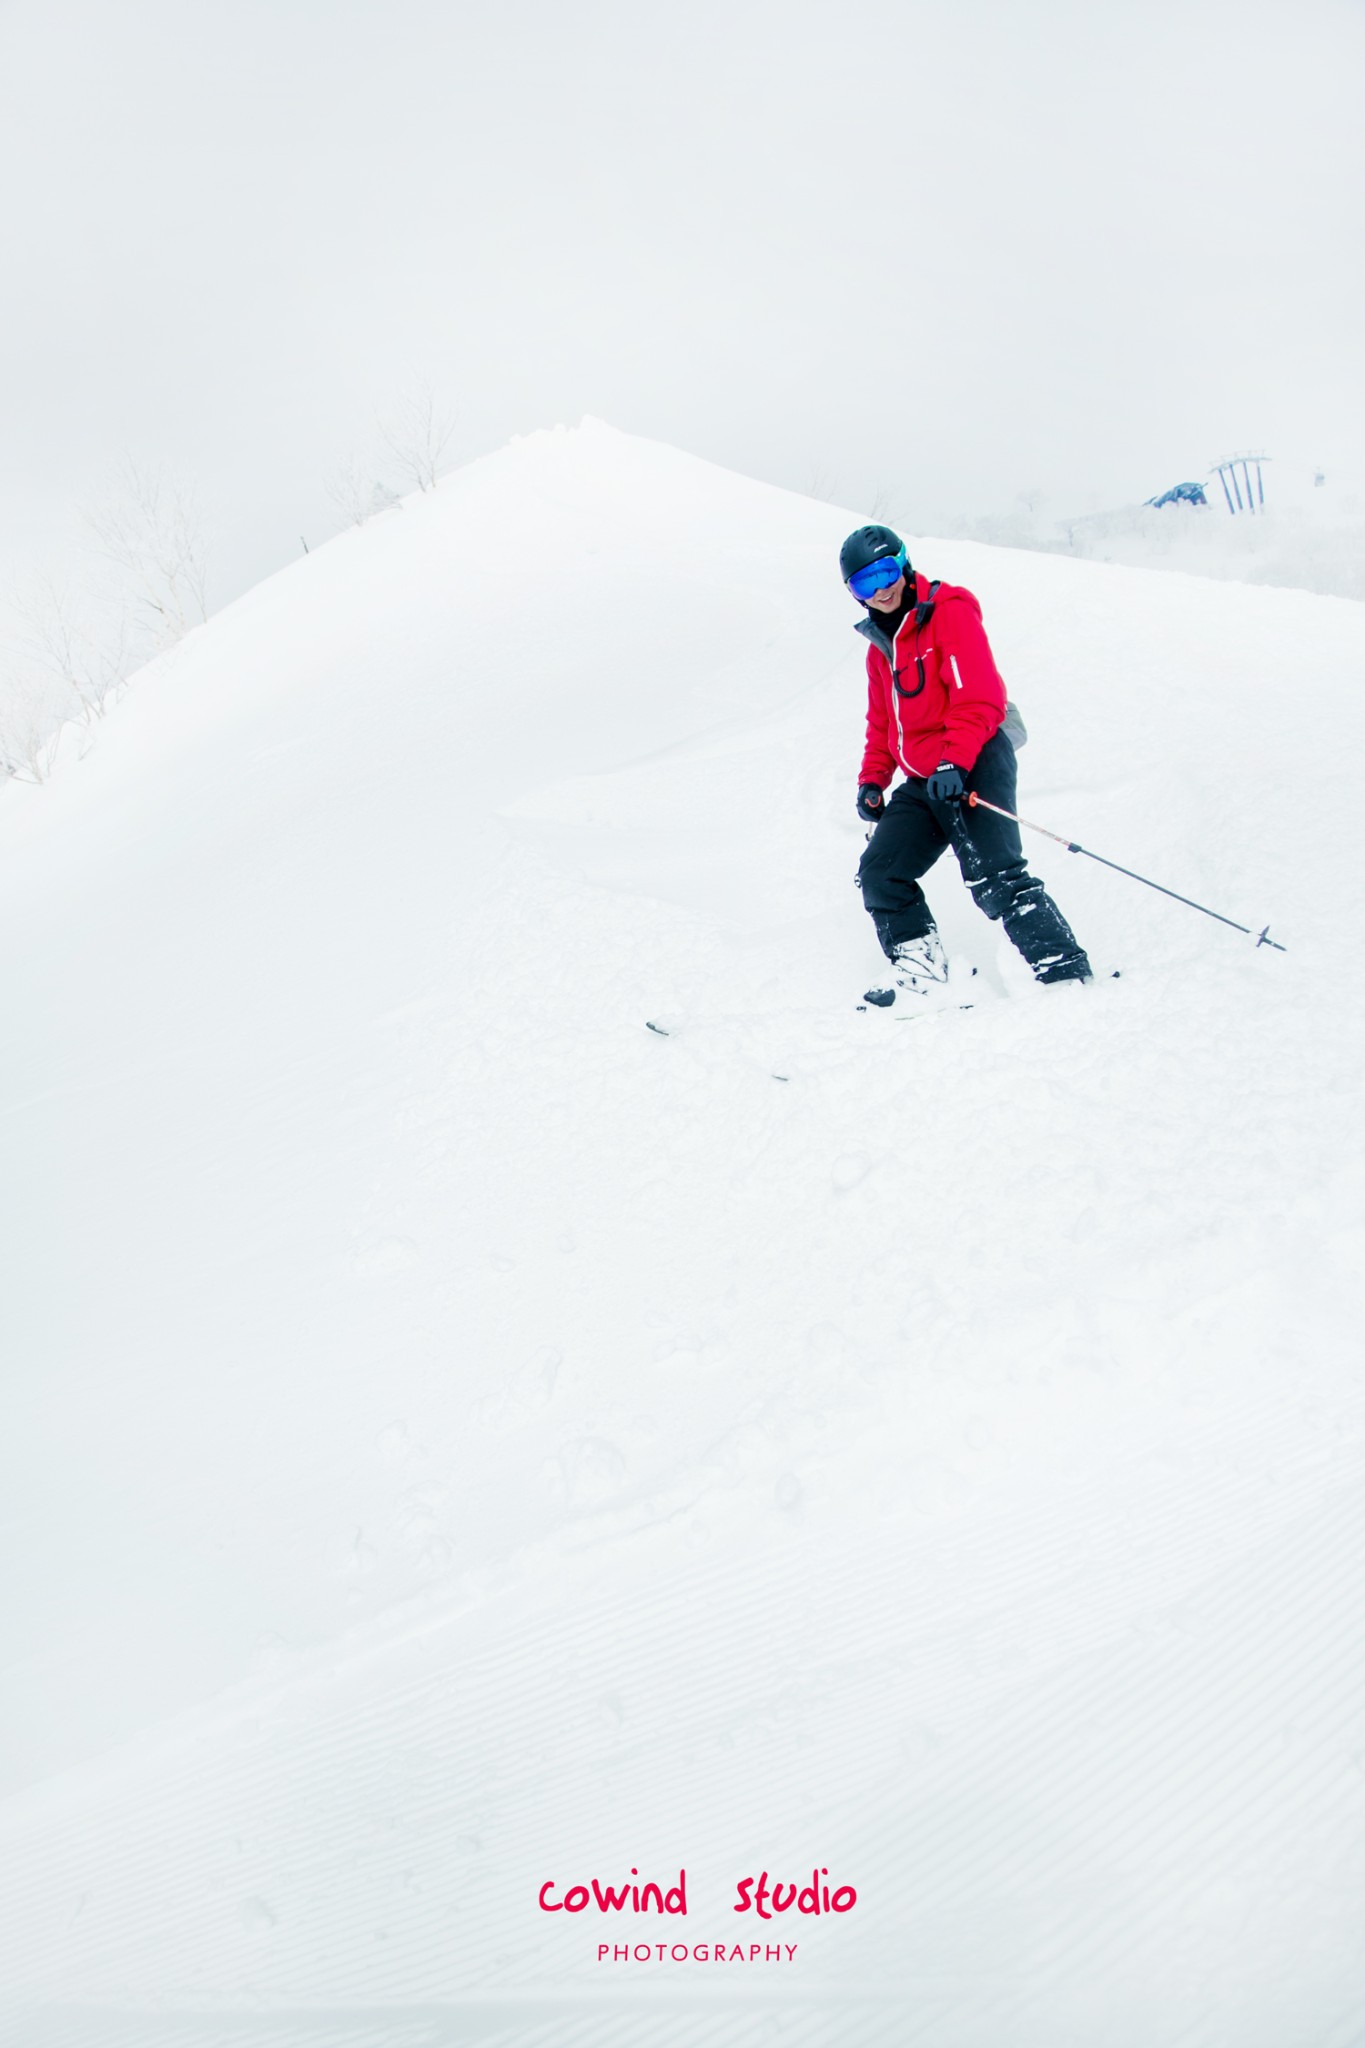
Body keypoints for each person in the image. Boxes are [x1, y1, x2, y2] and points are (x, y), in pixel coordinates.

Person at [841, 524, 1092, 1002]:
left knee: (994, 876)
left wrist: (954, 762)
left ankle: (1065, 973)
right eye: (865, 583)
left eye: (887, 572)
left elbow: (980, 698)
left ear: (905, 563)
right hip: (925, 776)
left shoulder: (948, 613)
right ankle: (923, 973)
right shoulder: (880, 650)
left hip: (973, 758)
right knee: (881, 869)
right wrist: (873, 780)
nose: (882, 589)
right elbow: (883, 725)